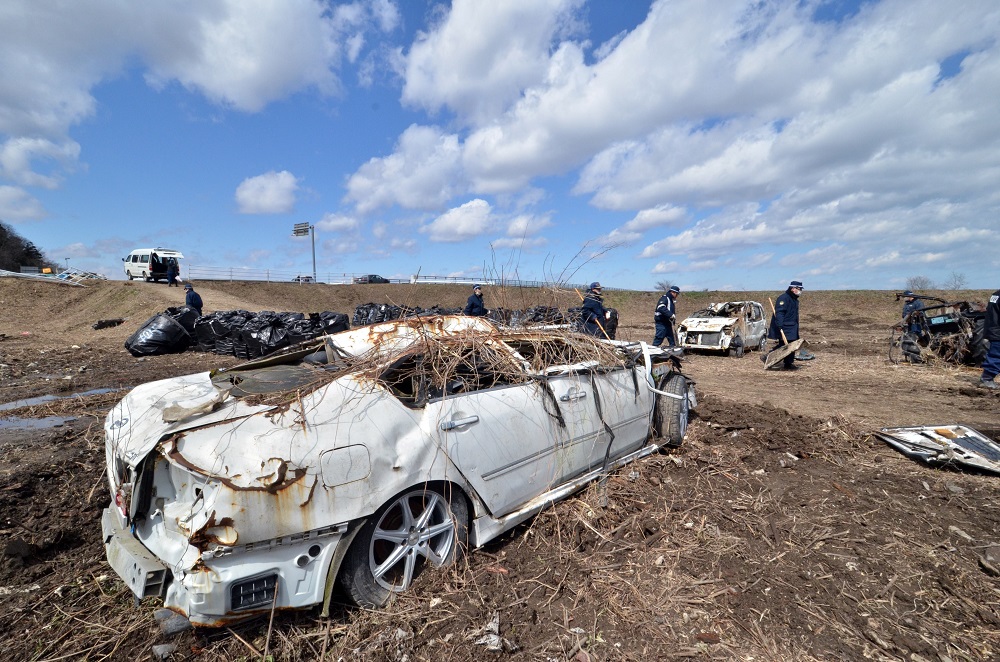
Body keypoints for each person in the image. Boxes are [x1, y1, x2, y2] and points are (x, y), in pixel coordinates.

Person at [767, 280, 803, 370]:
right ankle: (768, 356)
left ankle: (788, 364)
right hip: (785, 327)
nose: (800, 291)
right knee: (784, 346)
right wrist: (779, 324)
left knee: (791, 345)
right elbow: (780, 313)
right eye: (799, 289)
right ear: (793, 288)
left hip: (792, 327)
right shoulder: (783, 298)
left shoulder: (794, 299)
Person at [980, 287, 1000, 389]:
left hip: (993, 329)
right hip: (998, 332)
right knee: (996, 356)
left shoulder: (996, 295)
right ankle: (987, 378)